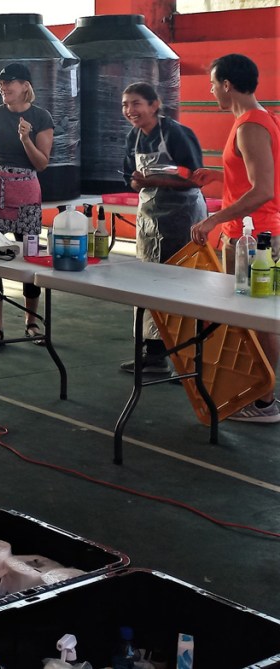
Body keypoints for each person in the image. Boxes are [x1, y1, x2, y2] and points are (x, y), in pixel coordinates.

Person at [189, 53, 280, 423]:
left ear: (227, 84)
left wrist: (214, 219)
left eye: (213, 84)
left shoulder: (250, 126)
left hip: (252, 236)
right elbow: (250, 180)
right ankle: (263, 395)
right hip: (249, 231)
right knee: (255, 315)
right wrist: (218, 177)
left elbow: (262, 191)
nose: (211, 91)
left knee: (257, 317)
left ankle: (262, 400)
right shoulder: (258, 120)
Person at [119, 82, 208, 375]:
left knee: (182, 283)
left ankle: (191, 360)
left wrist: (152, 182)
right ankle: (155, 354)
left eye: (136, 103)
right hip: (151, 217)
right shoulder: (133, 136)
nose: (130, 110)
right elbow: (129, 175)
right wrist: (134, 182)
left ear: (154, 105)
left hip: (183, 216)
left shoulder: (177, 134)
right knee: (148, 282)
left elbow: (197, 179)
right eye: (125, 104)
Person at [0, 63, 54, 349]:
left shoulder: (41, 117)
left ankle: (31, 321)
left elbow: (42, 163)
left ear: (25, 86)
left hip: (26, 194)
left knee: (30, 257)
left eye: (9, 83)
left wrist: (25, 138)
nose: (3, 87)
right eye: (1, 84)